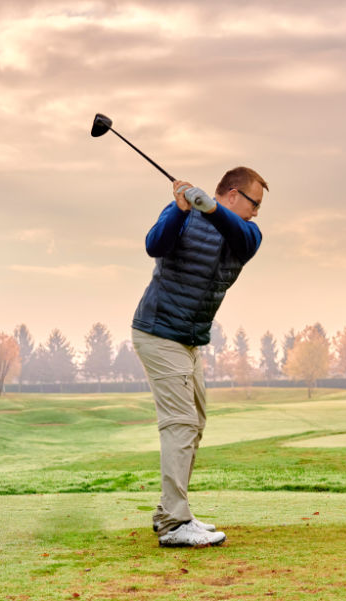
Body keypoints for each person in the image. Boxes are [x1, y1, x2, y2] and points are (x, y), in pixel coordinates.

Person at [131, 166, 268, 547]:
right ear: (233, 193)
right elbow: (154, 246)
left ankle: (171, 513)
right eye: (254, 203)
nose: (257, 212)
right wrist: (179, 208)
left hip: (190, 341)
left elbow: (241, 236)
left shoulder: (249, 233)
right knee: (180, 422)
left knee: (196, 423)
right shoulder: (180, 213)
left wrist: (209, 208)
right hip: (158, 331)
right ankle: (175, 524)